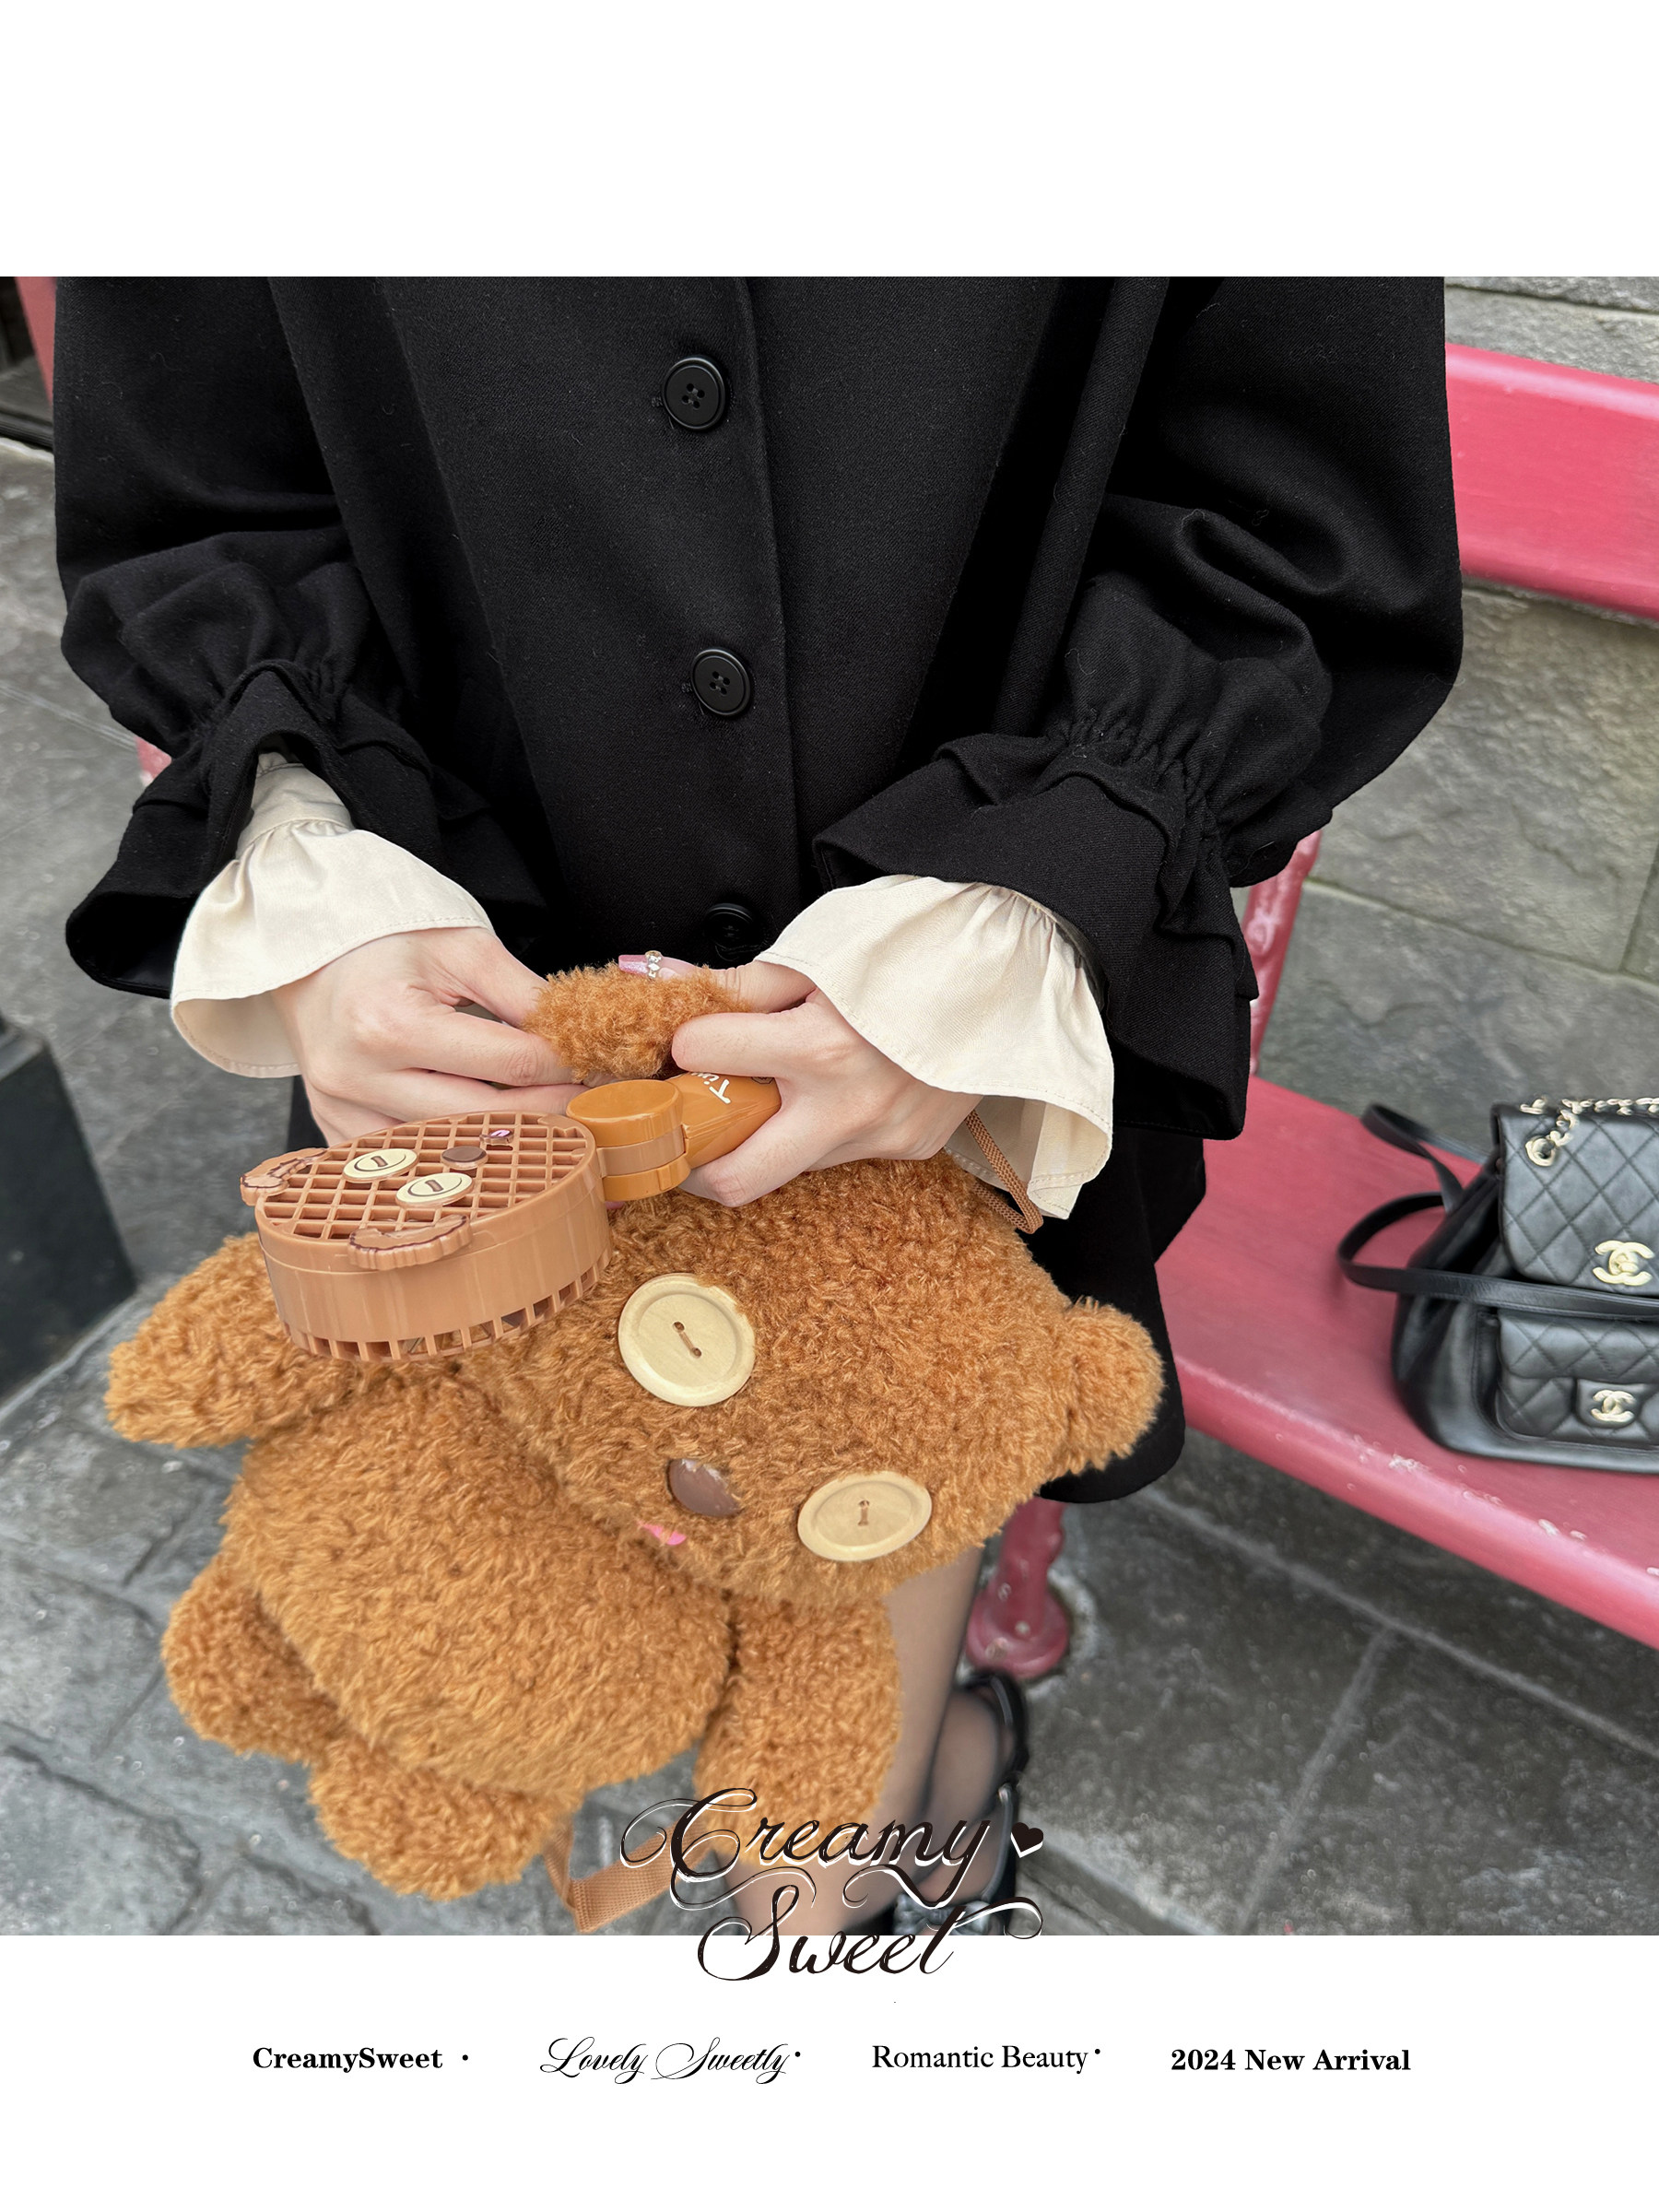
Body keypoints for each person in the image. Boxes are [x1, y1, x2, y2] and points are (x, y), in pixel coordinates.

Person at [53, 277, 1463, 1929]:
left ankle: (847, 1880)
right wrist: (299, 830)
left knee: (856, 1523)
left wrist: (1044, 874)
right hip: (463, 965)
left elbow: (1301, 506)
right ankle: (856, 1840)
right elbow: (196, 459)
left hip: (948, 997)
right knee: (503, 1534)